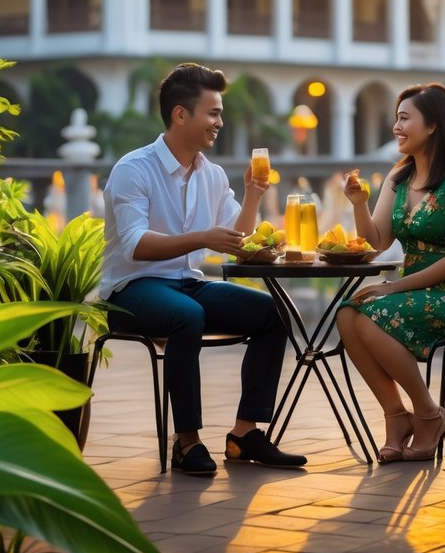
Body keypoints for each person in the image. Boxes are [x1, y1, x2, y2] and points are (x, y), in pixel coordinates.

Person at [101, 63, 307, 476]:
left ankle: (244, 433)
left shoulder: (211, 174)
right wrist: (202, 238)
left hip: (186, 284)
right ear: (181, 114)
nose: (220, 122)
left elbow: (237, 238)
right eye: (213, 113)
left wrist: (252, 195)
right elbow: (136, 244)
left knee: (273, 313)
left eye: (220, 113)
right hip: (132, 290)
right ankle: (187, 442)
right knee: (186, 316)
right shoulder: (133, 169)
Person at [336, 83, 445, 463]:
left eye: (405, 118)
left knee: (373, 318)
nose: (396, 127)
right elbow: (376, 242)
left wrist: (391, 288)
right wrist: (360, 204)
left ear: (433, 125)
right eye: (396, 118)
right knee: (346, 314)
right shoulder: (398, 178)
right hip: (411, 291)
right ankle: (396, 416)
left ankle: (428, 414)